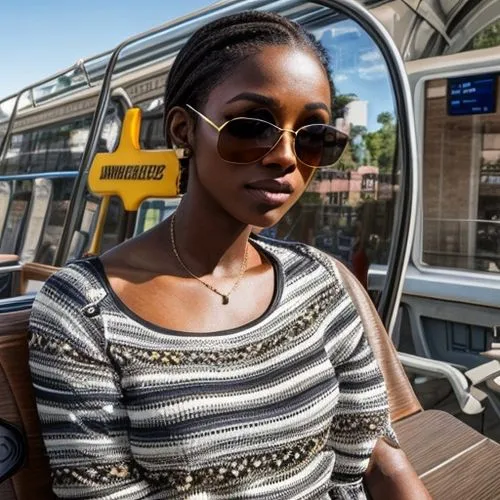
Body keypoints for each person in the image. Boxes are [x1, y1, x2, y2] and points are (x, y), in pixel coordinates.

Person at [28, 11, 431, 500]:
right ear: (183, 130)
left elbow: (378, 458)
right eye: (252, 125)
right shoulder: (85, 311)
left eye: (314, 136)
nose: (286, 156)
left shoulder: (318, 280)